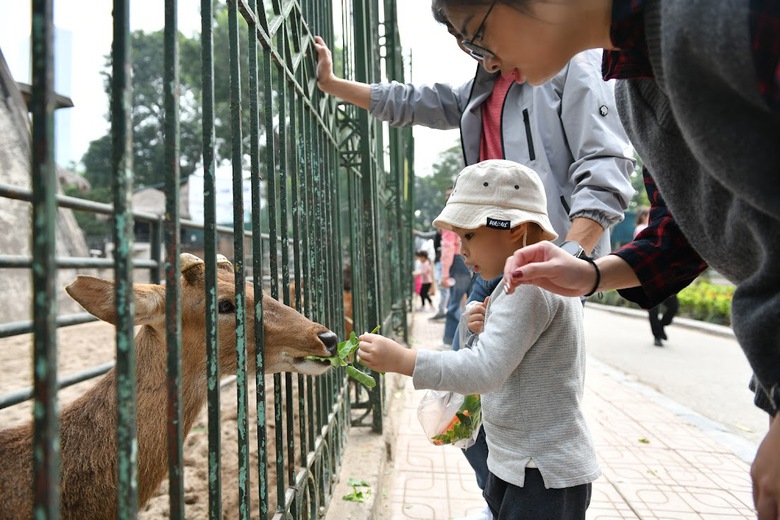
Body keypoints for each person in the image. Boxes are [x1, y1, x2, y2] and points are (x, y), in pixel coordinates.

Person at [431, 0, 780, 514]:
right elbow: (678, 230)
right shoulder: (633, 88)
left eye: (477, 34)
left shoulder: (715, 18)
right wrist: (590, 274)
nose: (489, 63)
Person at [314, 28, 634, 512]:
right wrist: (336, 85)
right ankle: (500, 488)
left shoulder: (570, 65)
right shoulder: (483, 83)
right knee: (474, 404)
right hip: (505, 260)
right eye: (466, 40)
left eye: (476, 34)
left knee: (491, 379)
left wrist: (567, 256)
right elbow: (414, 100)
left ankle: (510, 486)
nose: (474, 50)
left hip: (547, 261)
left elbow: (606, 164)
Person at [357, 160, 600, 519]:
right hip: (522, 464)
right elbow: (521, 353)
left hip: (540, 475)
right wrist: (486, 329)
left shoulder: (527, 286)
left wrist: (405, 361)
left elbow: (485, 370)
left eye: (469, 235)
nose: (462, 248)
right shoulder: (528, 282)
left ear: (515, 230)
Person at [634, 207, 678, 347]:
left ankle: (660, 326)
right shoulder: (641, 229)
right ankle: (657, 336)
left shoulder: (659, 227)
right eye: (647, 215)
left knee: (673, 306)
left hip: (665, 272)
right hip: (648, 272)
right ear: (642, 217)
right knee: (654, 307)